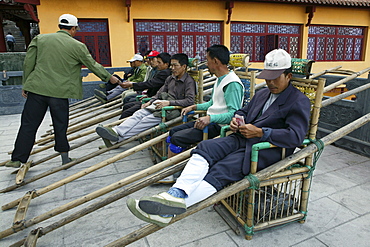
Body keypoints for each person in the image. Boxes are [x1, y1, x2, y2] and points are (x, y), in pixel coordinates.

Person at [126, 49, 312, 227]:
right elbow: (242, 111)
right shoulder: (263, 93)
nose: (270, 82)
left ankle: (168, 212)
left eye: (275, 78)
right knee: (206, 148)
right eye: (268, 77)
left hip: (266, 149)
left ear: (288, 76)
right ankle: (176, 193)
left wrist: (262, 132)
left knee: (223, 169)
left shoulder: (298, 101)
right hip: (243, 138)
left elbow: (295, 136)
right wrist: (237, 120)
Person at [5, 14, 121, 168]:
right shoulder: (77, 46)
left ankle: (17, 159)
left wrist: (26, 84)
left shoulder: (40, 39)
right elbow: (92, 64)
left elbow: (28, 63)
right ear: (73, 29)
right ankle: (65, 158)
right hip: (59, 93)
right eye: (75, 30)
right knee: (60, 125)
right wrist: (110, 78)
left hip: (37, 89)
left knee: (28, 124)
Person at [161, 44, 244, 183]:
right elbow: (212, 103)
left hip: (220, 126)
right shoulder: (219, 79)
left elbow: (234, 113)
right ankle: (173, 168)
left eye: (207, 60)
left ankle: (172, 174)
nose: (206, 64)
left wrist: (210, 118)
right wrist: (194, 106)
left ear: (216, 61)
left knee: (178, 138)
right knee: (173, 131)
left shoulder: (232, 83)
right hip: (209, 121)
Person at [95, 53, 196, 143]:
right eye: (171, 65)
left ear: (184, 66)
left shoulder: (189, 82)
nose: (172, 68)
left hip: (173, 110)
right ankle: (116, 131)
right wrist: (150, 101)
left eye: (175, 65)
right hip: (160, 105)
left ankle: (118, 138)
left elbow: (190, 101)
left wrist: (169, 103)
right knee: (139, 113)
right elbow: (160, 92)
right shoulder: (170, 78)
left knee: (146, 120)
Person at [118, 52, 172, 120]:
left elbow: (151, 84)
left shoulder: (165, 73)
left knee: (127, 111)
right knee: (127, 105)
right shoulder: (160, 71)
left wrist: (132, 84)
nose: (157, 64)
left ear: (166, 64)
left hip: (158, 101)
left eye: (159, 62)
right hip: (152, 97)